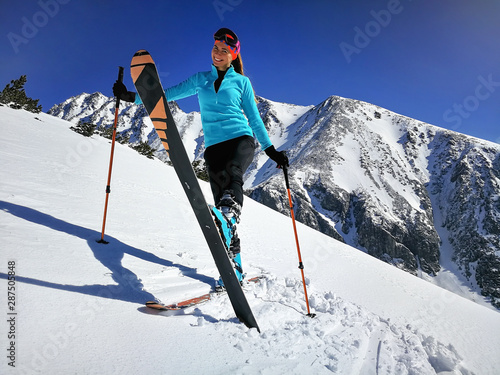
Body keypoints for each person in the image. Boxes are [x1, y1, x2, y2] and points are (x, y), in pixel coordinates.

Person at [113, 27, 288, 287]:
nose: (218, 53)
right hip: (214, 149)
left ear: (233, 55)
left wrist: (270, 149)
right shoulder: (201, 79)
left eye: (224, 50)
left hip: (241, 139)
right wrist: (129, 97)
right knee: (221, 217)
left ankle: (231, 213)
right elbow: (164, 95)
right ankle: (235, 269)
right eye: (215, 48)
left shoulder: (241, 82)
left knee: (233, 180)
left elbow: (254, 117)